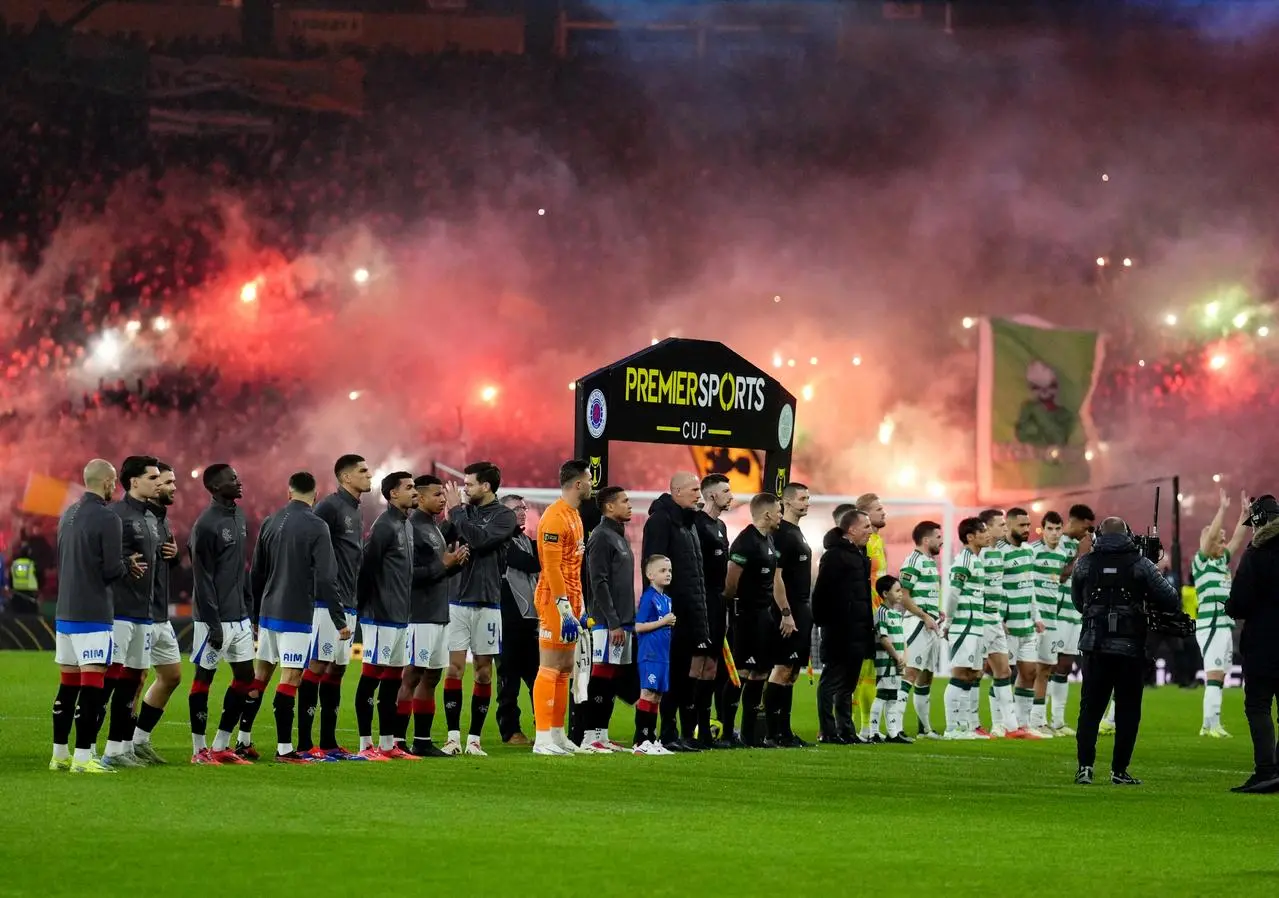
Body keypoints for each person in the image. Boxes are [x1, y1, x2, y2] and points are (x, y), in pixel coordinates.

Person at [1071, 516, 1181, 785]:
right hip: (1130, 649)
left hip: (1094, 647)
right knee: (1128, 711)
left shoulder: (1084, 564)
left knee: (1090, 710)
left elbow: (1078, 602)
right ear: (1129, 536)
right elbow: (1171, 599)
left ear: (1098, 536)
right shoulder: (1141, 565)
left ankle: (1085, 767)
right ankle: (1119, 771)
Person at [248, 472, 346, 763]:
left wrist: (255, 615)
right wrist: (339, 619)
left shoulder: (270, 521)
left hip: (267, 611)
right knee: (291, 677)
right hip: (295, 612)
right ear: (315, 496)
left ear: (288, 493)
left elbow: (256, 573)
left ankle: (242, 739)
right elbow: (328, 578)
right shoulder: (317, 526)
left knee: (261, 675)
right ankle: (284, 749)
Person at [51, 459, 130, 774]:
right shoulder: (108, 518)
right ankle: (83, 759)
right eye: (115, 482)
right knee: (93, 685)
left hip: (65, 612)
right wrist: (128, 566)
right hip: (93, 613)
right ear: (109, 481)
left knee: (67, 686)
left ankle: (59, 755)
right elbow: (112, 569)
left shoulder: (67, 514)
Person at [441, 461, 518, 756]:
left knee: (484, 673)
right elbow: (444, 538)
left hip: (487, 602)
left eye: (469, 484)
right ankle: (452, 738)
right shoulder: (463, 513)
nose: (464, 489)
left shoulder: (504, 516)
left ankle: (474, 739)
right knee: (454, 669)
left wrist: (457, 511)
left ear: (486, 486)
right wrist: (452, 516)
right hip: (457, 601)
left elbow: (479, 539)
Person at [302, 454, 373, 760]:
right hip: (326, 603)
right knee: (317, 666)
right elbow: (309, 547)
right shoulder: (330, 507)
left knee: (337, 669)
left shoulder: (356, 510)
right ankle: (305, 744)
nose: (369, 475)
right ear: (346, 478)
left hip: (349, 601)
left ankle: (329, 743)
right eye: (363, 471)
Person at [188, 464, 256, 766]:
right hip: (212, 619)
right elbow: (202, 579)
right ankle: (199, 750)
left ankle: (221, 744)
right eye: (232, 479)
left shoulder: (238, 517)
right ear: (215, 486)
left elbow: (238, 569)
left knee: (246, 677)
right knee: (204, 678)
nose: (239, 482)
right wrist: (213, 623)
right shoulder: (205, 525)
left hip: (238, 616)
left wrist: (248, 609)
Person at [641, 471, 711, 752]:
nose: (699, 495)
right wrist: (660, 610)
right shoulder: (661, 521)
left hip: (688, 611)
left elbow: (695, 575)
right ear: (677, 492)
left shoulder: (689, 524)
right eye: (694, 490)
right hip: (669, 614)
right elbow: (653, 567)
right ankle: (665, 734)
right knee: (668, 674)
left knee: (682, 674)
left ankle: (677, 733)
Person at [101, 455, 162, 767]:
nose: (158, 482)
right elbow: (105, 562)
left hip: (144, 612)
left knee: (134, 681)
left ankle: (118, 748)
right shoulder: (117, 517)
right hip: (120, 612)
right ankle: (89, 750)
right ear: (134, 481)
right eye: (152, 478)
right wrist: (125, 565)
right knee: (110, 682)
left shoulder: (151, 518)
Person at [401, 474, 468, 756]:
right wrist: (444, 566)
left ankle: (423, 741)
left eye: (444, 495)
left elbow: (439, 568)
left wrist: (453, 565)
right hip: (419, 614)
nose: (442, 499)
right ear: (421, 497)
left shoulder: (433, 528)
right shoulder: (412, 527)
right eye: (437, 494)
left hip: (439, 612)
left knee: (431, 677)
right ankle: (395, 740)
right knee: (412, 675)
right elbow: (406, 574)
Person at [355, 471, 418, 761]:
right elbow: (367, 568)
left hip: (400, 615)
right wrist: (367, 607)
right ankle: (366, 744)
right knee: (371, 677)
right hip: (380, 615)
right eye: (409, 487)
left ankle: (387, 743)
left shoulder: (406, 525)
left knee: (393, 679)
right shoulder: (384, 525)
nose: (414, 491)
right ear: (393, 493)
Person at [532, 459, 593, 755]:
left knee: (565, 669)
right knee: (550, 665)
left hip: (572, 601)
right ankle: (542, 738)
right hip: (555, 601)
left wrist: (579, 605)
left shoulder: (574, 515)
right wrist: (564, 607)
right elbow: (552, 568)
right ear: (578, 483)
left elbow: (574, 567)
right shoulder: (554, 517)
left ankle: (557, 735)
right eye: (590, 479)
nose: (593, 484)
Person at [1225, 494, 1279, 792]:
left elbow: (1241, 602)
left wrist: (1230, 607)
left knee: (1258, 706)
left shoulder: (1256, 553)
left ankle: (1266, 771)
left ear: (1258, 521)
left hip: (1263, 643)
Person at [725, 492, 787, 747]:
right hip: (746, 615)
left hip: (765, 615)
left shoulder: (769, 541)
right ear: (767, 514)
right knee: (741, 672)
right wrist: (733, 604)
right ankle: (728, 733)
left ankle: (750, 735)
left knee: (761, 671)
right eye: (779, 511)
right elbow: (731, 582)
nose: (781, 516)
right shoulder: (745, 541)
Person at [132, 462, 182, 763]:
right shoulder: (136, 519)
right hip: (139, 612)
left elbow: (161, 561)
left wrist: (174, 557)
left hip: (160, 613)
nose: (173, 486)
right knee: (134, 680)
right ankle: (119, 745)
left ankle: (139, 740)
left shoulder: (162, 520)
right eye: (167, 481)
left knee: (172, 675)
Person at [813, 508, 874, 744]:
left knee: (848, 682)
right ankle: (828, 731)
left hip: (858, 629)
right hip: (839, 630)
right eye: (866, 526)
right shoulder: (834, 556)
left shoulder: (860, 553)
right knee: (832, 681)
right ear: (852, 529)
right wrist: (824, 624)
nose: (870, 531)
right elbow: (821, 594)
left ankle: (846, 730)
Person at [1194, 489, 1250, 737]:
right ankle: (1213, 724)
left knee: (1219, 676)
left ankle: (1208, 724)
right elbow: (1211, 537)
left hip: (1224, 626)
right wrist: (1222, 509)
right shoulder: (1201, 561)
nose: (1224, 541)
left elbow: (1238, 539)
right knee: (1215, 674)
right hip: (1211, 626)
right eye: (1219, 538)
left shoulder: (1221, 562)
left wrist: (1244, 515)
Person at [583, 485, 635, 753]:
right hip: (607, 622)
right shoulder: (601, 537)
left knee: (611, 678)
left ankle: (601, 736)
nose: (630, 505)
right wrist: (613, 621)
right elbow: (598, 582)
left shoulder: (618, 535)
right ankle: (590, 736)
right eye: (624, 501)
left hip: (621, 621)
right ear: (609, 507)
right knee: (601, 676)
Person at [769, 482, 814, 747]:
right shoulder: (782, 533)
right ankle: (772, 731)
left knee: (793, 671)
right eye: (802, 498)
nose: (807, 502)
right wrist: (785, 612)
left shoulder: (798, 533)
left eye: (808, 498)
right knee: (782, 668)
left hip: (801, 608)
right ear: (786, 502)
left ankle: (784, 731)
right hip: (789, 611)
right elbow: (777, 577)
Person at [695, 473, 739, 747]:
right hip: (703, 601)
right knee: (697, 666)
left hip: (718, 602)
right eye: (725, 491)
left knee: (712, 667)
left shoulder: (721, 526)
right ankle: (692, 728)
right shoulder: (698, 525)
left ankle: (706, 726)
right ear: (711, 495)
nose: (730, 495)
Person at [496, 494, 539, 746]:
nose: (522, 512)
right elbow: (527, 563)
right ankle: (510, 730)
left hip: (530, 620)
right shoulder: (501, 541)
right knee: (509, 680)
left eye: (524, 507)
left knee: (537, 677)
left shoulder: (524, 539)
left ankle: (542, 725)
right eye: (515, 509)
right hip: (508, 621)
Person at [943, 517, 991, 740]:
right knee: (960, 673)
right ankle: (952, 728)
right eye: (982, 531)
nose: (987, 534)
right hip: (964, 625)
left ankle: (965, 726)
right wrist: (950, 621)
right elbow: (953, 593)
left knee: (971, 674)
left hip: (975, 625)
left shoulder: (976, 559)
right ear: (970, 536)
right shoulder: (964, 560)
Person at [1002, 507, 1046, 738]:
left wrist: (1036, 617)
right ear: (1008, 526)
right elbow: (994, 587)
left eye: (1028, 525)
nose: (1027, 529)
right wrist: (1000, 617)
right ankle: (1001, 723)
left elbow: (1030, 588)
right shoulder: (998, 552)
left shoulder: (1029, 551)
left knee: (1030, 672)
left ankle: (1023, 723)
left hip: (1027, 624)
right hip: (1008, 625)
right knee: (1004, 674)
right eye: (1022, 525)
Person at [1053, 504, 1095, 734]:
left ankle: (1058, 720)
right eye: (1086, 527)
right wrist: (1079, 556)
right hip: (1055, 613)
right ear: (1075, 522)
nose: (1087, 533)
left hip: (1073, 613)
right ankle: (1037, 717)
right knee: (1048, 666)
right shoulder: (1056, 541)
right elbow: (1056, 576)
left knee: (1065, 666)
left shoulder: (1080, 545)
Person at [899, 521, 944, 738]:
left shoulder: (929, 562)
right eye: (938, 537)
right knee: (910, 673)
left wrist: (936, 612)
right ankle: (894, 727)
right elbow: (903, 596)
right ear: (926, 540)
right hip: (917, 624)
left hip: (930, 624)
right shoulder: (913, 560)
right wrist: (925, 616)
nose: (941, 541)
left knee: (926, 677)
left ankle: (924, 729)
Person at [633, 555, 677, 756]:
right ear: (650, 575)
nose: (667, 574)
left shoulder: (666, 599)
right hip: (649, 654)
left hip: (662, 656)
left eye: (669, 570)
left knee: (657, 696)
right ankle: (641, 741)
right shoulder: (648, 597)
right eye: (662, 571)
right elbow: (639, 626)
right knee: (647, 693)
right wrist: (664, 621)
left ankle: (651, 739)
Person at [1030, 511, 1069, 736]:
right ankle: (1022, 719)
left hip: (1052, 620)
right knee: (1028, 670)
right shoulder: (1033, 552)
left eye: (1057, 529)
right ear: (1042, 530)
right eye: (1050, 529)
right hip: (1034, 621)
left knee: (1045, 669)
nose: (1054, 533)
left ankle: (1038, 720)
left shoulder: (1061, 555)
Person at [854, 492, 889, 734]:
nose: (884, 512)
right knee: (859, 672)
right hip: (863, 613)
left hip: (877, 613)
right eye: (878, 509)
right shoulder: (864, 544)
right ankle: (861, 726)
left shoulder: (878, 541)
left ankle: (867, 726)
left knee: (871, 673)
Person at [869, 576, 911, 743]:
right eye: (897, 591)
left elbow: (902, 638)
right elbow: (884, 639)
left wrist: (904, 657)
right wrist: (896, 656)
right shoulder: (881, 612)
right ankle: (873, 732)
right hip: (886, 661)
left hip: (897, 662)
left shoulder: (895, 613)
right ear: (886, 593)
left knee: (893, 695)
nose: (901, 594)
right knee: (882, 694)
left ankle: (892, 733)